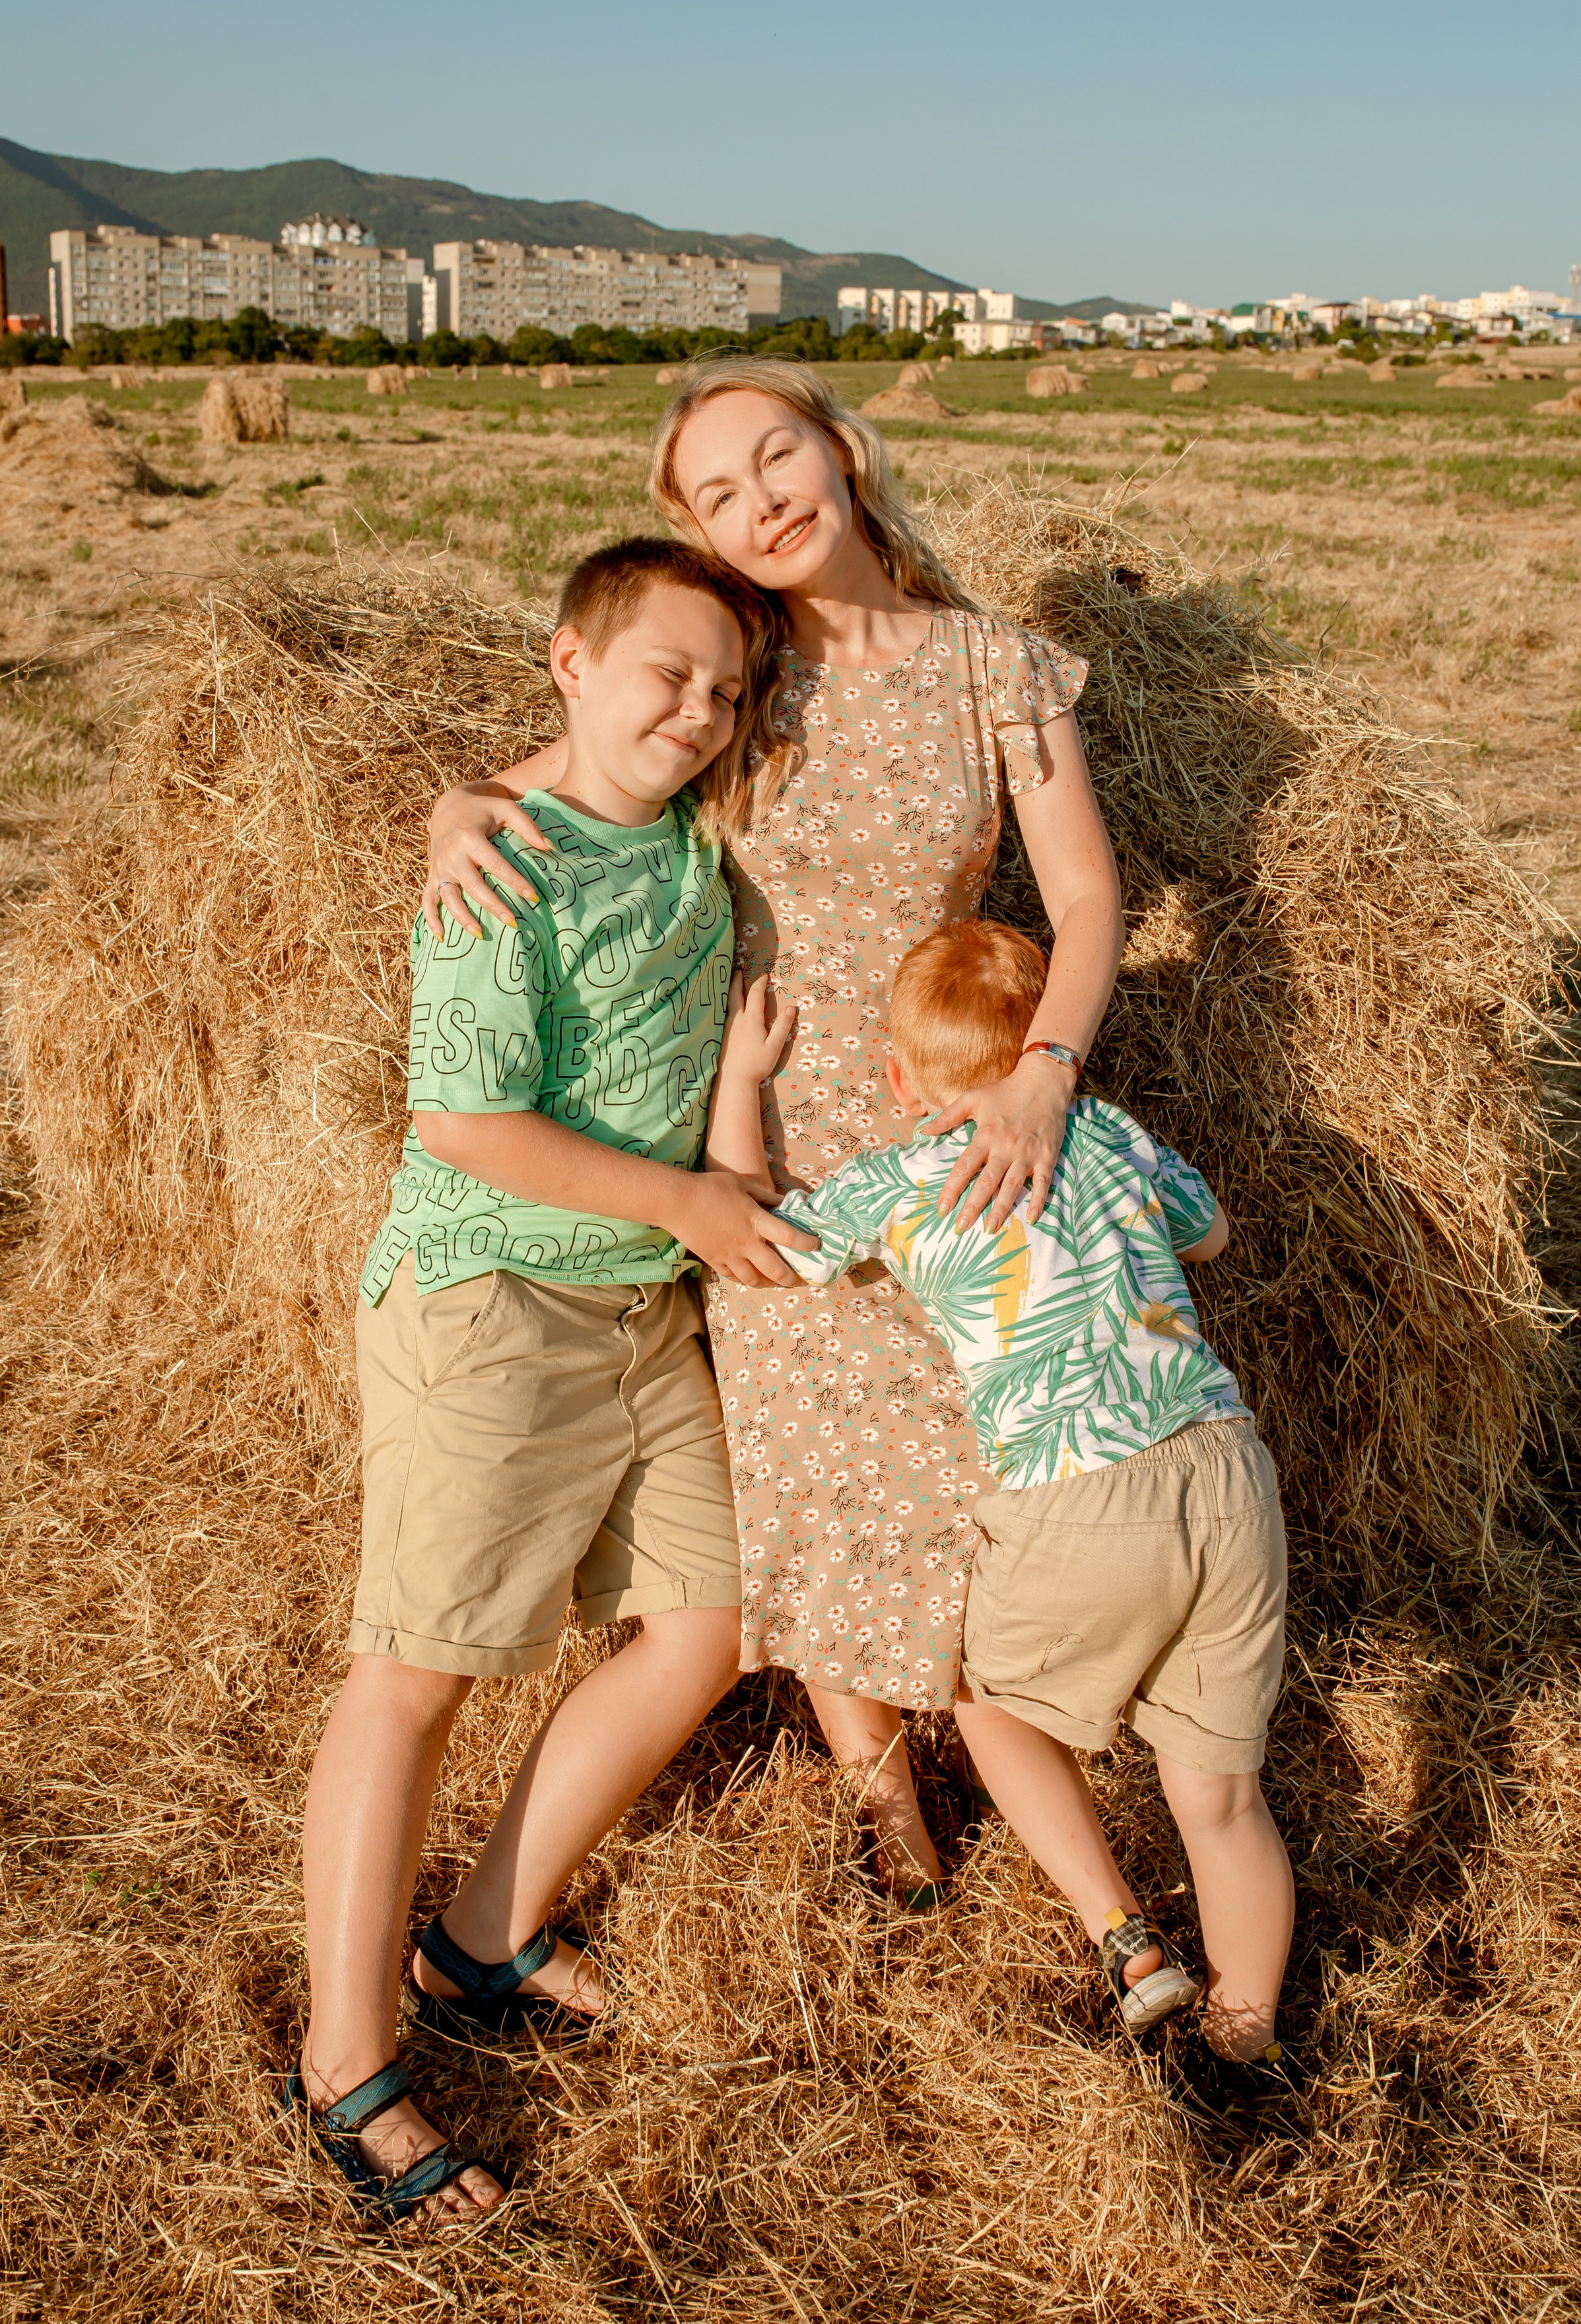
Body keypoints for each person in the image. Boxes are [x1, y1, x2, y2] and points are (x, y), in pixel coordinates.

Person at [420, 358, 1124, 1903]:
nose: (764, 503)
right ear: (698, 533)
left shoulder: (994, 666)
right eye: (719, 495)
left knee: (961, 1443)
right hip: (752, 1128)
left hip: (944, 1109)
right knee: (801, 1470)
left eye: (777, 457)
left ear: (843, 449)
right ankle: (890, 1811)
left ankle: (1003, 1732)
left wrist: (1042, 1073)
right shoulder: (727, 671)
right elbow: (540, 783)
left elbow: (1082, 899)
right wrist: (452, 810)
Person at [292, 539, 810, 2224]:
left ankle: (480, 1939)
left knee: (713, 1624)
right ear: (571, 663)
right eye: (666, 673)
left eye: (728, 687)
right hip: (492, 1298)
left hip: (639, 1302)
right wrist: (689, 1200)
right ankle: (345, 2068)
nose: (702, 711)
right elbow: (460, 1123)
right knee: (414, 1673)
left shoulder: (677, 832)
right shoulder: (498, 872)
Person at [708, 921, 1300, 2109]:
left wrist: (738, 1082)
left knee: (982, 1693)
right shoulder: (1108, 1130)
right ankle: (1246, 2053)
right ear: (1043, 1051)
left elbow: (753, 1247)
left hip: (1083, 1493)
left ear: (896, 1079)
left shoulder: (901, 1178)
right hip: (1227, 1473)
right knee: (1223, 1797)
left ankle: (1124, 1934)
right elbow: (1215, 1232)